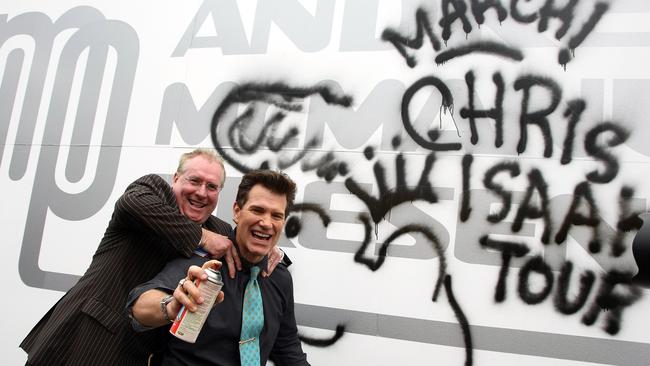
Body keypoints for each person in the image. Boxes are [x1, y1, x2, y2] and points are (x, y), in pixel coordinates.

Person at [20, 149, 285, 365]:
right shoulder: (153, 191)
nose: (201, 192)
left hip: (138, 352)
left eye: (211, 186)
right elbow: (131, 202)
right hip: (83, 339)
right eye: (194, 181)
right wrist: (201, 238)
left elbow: (245, 237)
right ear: (175, 179)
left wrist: (272, 247)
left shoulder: (217, 228)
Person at [128, 170, 310, 365]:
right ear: (237, 212)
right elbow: (139, 307)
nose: (266, 223)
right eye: (257, 210)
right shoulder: (204, 264)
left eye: (276, 215)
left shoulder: (280, 277)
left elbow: (288, 349)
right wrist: (172, 306)